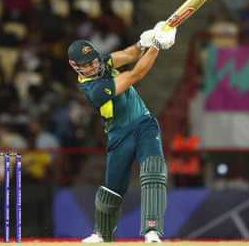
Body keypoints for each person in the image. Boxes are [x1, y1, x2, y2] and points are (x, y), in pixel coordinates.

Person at [67, 21, 177, 243]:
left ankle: (152, 230)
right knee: (112, 191)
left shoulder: (102, 63)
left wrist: (142, 42)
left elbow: (129, 55)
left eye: (94, 61)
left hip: (144, 124)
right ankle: (101, 234)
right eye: (86, 65)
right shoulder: (93, 89)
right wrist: (155, 46)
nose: (93, 66)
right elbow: (135, 75)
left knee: (153, 170)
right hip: (118, 135)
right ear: (75, 66)